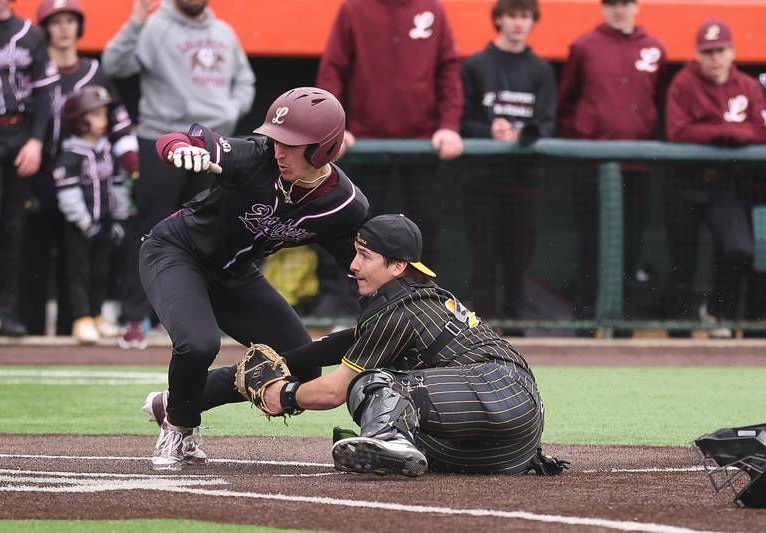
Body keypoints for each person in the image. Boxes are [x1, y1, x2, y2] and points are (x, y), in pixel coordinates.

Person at [140, 87, 369, 470]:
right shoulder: (257, 157)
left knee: (303, 366)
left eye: (291, 145)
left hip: (234, 273)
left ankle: (176, 402)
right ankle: (180, 426)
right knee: (198, 345)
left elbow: (362, 265)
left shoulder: (343, 205)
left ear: (323, 149)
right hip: (176, 251)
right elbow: (177, 139)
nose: (279, 151)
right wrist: (179, 149)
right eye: (276, 140)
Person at [253, 214, 564, 477]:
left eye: (365, 255)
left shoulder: (400, 310)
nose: (353, 265)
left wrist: (282, 394)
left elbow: (334, 392)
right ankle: (394, 449)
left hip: (501, 387)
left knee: (373, 384)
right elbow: (347, 344)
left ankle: (390, 440)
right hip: (509, 443)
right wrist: (283, 363)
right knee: (408, 422)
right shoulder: (421, 297)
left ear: (397, 266)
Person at [101, 0, 256, 349]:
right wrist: (136, 22)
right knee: (151, 229)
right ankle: (135, 317)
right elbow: (113, 65)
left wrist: (230, 111)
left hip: (213, 143)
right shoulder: (154, 27)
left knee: (208, 234)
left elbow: (246, 82)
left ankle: (194, 318)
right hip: (163, 140)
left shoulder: (223, 32)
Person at [20, 0, 139, 337]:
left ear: (79, 26)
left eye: (70, 21)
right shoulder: (33, 70)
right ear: (45, 29)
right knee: (34, 252)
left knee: (81, 256)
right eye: (56, 22)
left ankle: (76, 324)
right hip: (41, 173)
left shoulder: (92, 71)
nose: (63, 28)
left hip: (86, 179)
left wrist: (128, 156)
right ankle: (29, 331)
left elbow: (116, 118)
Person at [315, 0, 464, 270]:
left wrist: (449, 125)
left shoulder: (433, 8)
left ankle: (423, 293)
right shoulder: (353, 9)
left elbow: (449, 70)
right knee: (356, 224)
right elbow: (332, 70)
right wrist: (335, 126)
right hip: (365, 146)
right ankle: (352, 292)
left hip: (423, 147)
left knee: (425, 227)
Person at [557, 0, 667, 323]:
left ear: (637, 6)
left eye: (625, 3)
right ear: (603, 8)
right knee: (591, 245)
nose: (619, 10)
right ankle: (586, 320)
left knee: (631, 247)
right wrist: (584, 136)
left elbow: (658, 103)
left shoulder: (655, 48)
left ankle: (624, 323)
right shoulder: (584, 47)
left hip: (636, 167)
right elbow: (566, 103)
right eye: (612, 4)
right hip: (593, 166)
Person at [0, 0, 58, 346]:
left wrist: (35, 141)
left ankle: (5, 312)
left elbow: (44, 95)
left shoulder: (30, 34)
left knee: (13, 228)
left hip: (20, 137)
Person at [460, 0, 556, 329]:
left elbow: (546, 123)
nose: (519, 23)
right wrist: (490, 130)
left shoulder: (541, 70)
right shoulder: (475, 65)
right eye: (513, 15)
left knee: (518, 263)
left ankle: (517, 333)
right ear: (499, 19)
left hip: (524, 182)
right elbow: (462, 121)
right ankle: (482, 337)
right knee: (483, 263)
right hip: (481, 181)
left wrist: (522, 134)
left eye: (525, 16)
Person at [663, 19, 766, 328]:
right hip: (684, 183)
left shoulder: (747, 86)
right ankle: (677, 333)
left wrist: (713, 132)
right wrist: (728, 132)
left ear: (732, 52)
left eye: (720, 51)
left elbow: (760, 132)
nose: (715, 58)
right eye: (708, 52)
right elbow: (679, 132)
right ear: (698, 55)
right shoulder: (683, 82)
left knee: (739, 250)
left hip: (723, 185)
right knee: (683, 262)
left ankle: (718, 312)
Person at [55, 86, 129, 344]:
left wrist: (119, 218)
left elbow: (118, 185)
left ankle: (97, 315)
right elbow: (67, 192)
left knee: (101, 271)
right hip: (80, 226)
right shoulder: (71, 153)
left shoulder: (107, 150)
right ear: (79, 119)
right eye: (96, 115)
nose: (103, 120)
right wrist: (84, 222)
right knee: (79, 273)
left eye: (104, 114)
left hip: (106, 224)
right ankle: (82, 318)